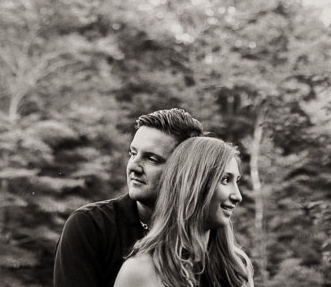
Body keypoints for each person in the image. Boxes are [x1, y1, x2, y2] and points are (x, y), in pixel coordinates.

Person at [53, 108, 206, 287]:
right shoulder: (90, 226)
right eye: (133, 154)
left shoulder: (203, 231)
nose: (133, 166)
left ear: (185, 171)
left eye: (151, 159)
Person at [113, 136, 252, 287]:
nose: (237, 196)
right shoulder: (140, 273)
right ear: (194, 186)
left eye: (236, 181)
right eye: (225, 180)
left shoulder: (236, 268)